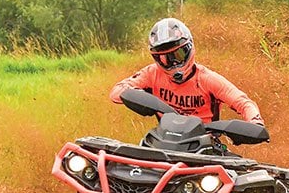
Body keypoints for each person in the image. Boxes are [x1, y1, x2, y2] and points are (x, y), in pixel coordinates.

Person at [108, 18, 264, 126]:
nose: (174, 63)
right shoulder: (152, 73)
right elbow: (116, 91)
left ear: (189, 47)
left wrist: (255, 122)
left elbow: (243, 102)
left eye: (178, 54)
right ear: (156, 58)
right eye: (165, 59)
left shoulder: (207, 79)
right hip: (164, 140)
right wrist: (141, 99)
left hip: (204, 144)